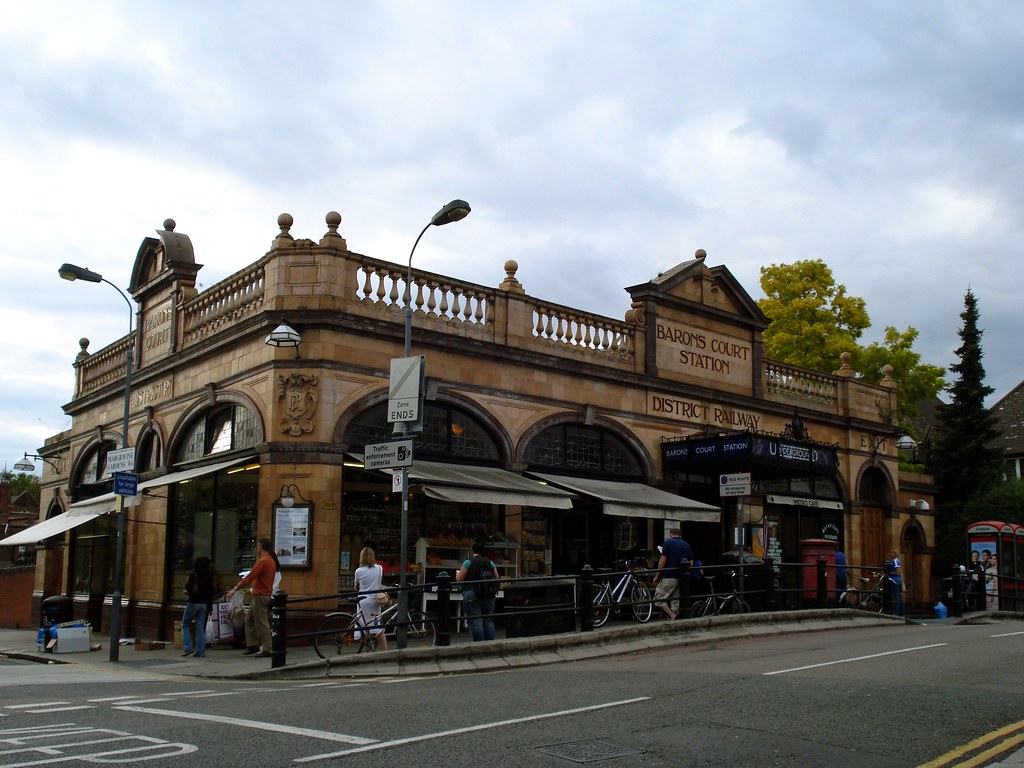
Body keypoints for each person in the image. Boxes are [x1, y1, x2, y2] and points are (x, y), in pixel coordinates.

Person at [227, 538, 278, 658]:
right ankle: (252, 645)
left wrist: (235, 588)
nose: (257, 548)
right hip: (261, 594)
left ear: (261, 547)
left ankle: (267, 648)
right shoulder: (271, 561)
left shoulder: (263, 561)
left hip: (260, 596)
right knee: (249, 620)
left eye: (258, 546)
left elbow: (250, 577)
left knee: (261, 622)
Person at [456, 542, 499, 641]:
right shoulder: (490, 563)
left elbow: (459, 578)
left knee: (476, 620)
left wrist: (457, 575)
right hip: (488, 594)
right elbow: (497, 577)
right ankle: (490, 644)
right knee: (488, 619)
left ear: (473, 551)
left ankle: (479, 645)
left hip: (472, 593)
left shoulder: (468, 562)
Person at [651, 528, 693, 620]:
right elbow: (691, 563)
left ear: (670, 535)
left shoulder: (668, 543)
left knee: (659, 598)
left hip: (669, 575)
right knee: (675, 598)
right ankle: (676, 616)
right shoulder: (686, 545)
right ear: (680, 535)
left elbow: (662, 560)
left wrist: (657, 575)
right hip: (681, 577)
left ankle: (672, 616)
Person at [353, 546, 387, 651]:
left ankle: (365, 649)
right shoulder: (379, 568)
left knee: (364, 625)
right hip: (375, 600)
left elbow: (356, 586)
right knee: (377, 627)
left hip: (363, 600)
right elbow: (379, 583)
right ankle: (386, 651)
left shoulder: (358, 571)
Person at [181, 556, 214, 658]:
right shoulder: (209, 577)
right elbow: (210, 594)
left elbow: (187, 590)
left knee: (185, 624)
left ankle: (188, 647)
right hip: (204, 604)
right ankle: (200, 651)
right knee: (200, 627)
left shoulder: (194, 576)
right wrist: (210, 608)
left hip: (193, 602)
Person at [885, 547, 904, 617]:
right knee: (898, 597)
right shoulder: (895, 560)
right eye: (890, 552)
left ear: (895, 553)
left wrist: (889, 572)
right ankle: (901, 613)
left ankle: (897, 613)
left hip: (895, 580)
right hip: (898, 580)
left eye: (892, 552)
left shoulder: (895, 561)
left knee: (896, 597)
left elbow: (898, 572)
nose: (890, 554)